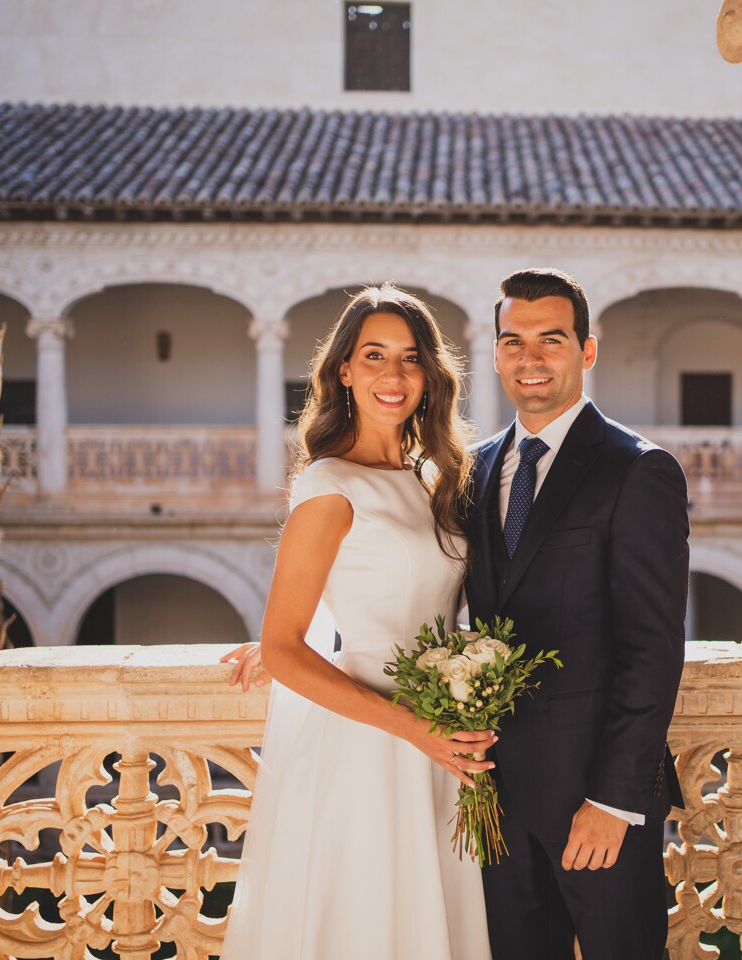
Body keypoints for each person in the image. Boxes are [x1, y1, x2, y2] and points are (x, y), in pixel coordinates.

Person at [218, 284, 494, 960]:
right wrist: (416, 728)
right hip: (373, 741)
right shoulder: (328, 484)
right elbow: (285, 647)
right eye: (374, 356)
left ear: (430, 374)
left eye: (409, 358)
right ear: (343, 369)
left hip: (440, 738)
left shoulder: (436, 476)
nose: (393, 376)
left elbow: (403, 594)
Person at [465, 267, 689, 960]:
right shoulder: (471, 471)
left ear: (587, 351)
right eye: (512, 341)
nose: (529, 358)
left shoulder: (639, 470)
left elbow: (652, 651)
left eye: (550, 340)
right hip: (493, 809)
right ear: (496, 352)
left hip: (598, 808)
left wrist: (614, 801)